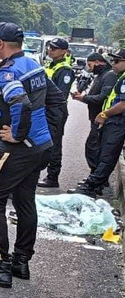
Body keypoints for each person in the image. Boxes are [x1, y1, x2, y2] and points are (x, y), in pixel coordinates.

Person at [0, 22, 52, 289]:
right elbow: (57, 100)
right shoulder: (33, 65)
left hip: (18, 149)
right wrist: (44, 134)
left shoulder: (9, 73)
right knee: (26, 202)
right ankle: (21, 261)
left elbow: (21, 105)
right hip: (40, 146)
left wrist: (17, 134)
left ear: (1, 43)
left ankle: (0, 265)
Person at [69, 49, 125, 198]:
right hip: (112, 120)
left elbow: (122, 104)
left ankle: (92, 185)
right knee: (103, 153)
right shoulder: (118, 76)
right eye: (112, 60)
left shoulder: (114, 77)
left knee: (106, 155)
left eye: (117, 61)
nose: (113, 63)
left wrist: (104, 114)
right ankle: (95, 184)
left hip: (117, 121)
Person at [71, 52, 117, 177]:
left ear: (97, 62)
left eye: (90, 65)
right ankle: (95, 177)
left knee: (93, 148)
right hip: (96, 118)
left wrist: (83, 98)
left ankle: (96, 179)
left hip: (102, 119)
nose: (90, 68)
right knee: (94, 148)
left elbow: (103, 97)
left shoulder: (109, 76)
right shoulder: (101, 75)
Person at [38, 38, 75, 188]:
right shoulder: (51, 65)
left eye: (54, 48)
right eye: (50, 47)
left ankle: (52, 176)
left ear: (64, 51)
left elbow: (60, 95)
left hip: (55, 111)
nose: (50, 50)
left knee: (53, 143)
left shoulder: (65, 70)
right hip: (45, 108)